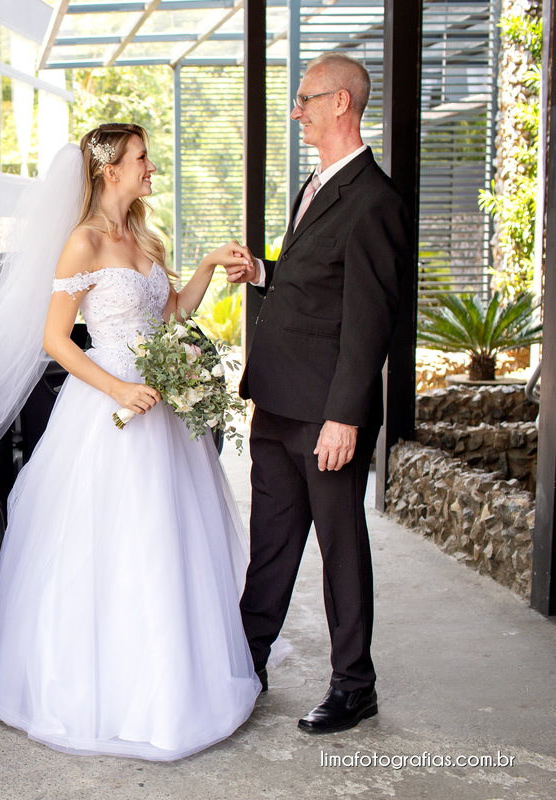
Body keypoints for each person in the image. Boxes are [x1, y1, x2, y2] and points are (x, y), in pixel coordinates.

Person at [0, 123, 260, 761]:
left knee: (167, 544)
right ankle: (107, 691)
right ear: (109, 169)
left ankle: (173, 684)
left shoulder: (144, 237)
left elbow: (171, 312)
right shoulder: (83, 243)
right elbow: (57, 340)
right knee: (110, 548)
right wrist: (118, 390)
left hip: (162, 414)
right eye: (142, 158)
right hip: (108, 411)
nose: (151, 167)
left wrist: (206, 265)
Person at [226, 53, 411, 733]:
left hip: (326, 416)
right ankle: (248, 661)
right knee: (271, 540)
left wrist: (344, 417)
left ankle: (353, 685)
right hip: (277, 403)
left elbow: (369, 322)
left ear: (341, 103)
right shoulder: (318, 182)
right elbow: (321, 284)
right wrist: (265, 271)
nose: (296, 110)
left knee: (340, 547)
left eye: (304, 99)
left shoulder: (376, 199)